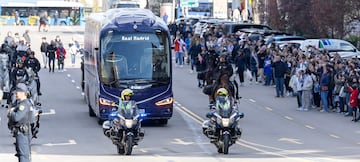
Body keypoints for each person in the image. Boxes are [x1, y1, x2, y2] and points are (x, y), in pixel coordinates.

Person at [7, 83, 32, 162]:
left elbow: (17, 117)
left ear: (22, 93)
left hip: (22, 133)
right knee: (21, 154)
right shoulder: (20, 103)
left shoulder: (23, 105)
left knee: (23, 156)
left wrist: (11, 112)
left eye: (17, 92)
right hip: (20, 133)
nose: (15, 94)